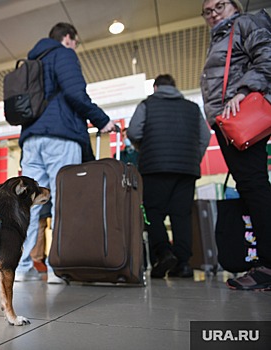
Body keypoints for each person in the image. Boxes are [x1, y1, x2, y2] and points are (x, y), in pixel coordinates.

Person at [15, 22, 115, 284]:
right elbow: (75, 93)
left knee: (28, 204)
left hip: (31, 140)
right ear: (69, 38)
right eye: (76, 42)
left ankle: (19, 267)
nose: (75, 46)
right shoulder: (64, 53)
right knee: (63, 202)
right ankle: (57, 268)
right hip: (61, 137)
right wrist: (102, 120)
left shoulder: (31, 61)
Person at [200, 0, 271, 290]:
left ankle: (267, 265)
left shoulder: (245, 23)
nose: (213, 12)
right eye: (207, 10)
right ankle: (264, 263)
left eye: (220, 5)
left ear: (235, 6)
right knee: (251, 185)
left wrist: (243, 91)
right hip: (227, 122)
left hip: (240, 118)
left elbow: (267, 57)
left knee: (254, 186)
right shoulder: (222, 35)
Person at [127, 74, 211, 279]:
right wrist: (192, 159)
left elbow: (133, 132)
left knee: (153, 213)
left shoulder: (147, 104)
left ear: (155, 88)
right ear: (175, 87)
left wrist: (144, 146)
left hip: (155, 167)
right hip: (186, 171)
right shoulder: (192, 108)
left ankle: (163, 253)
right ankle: (183, 264)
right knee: (181, 216)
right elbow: (205, 137)